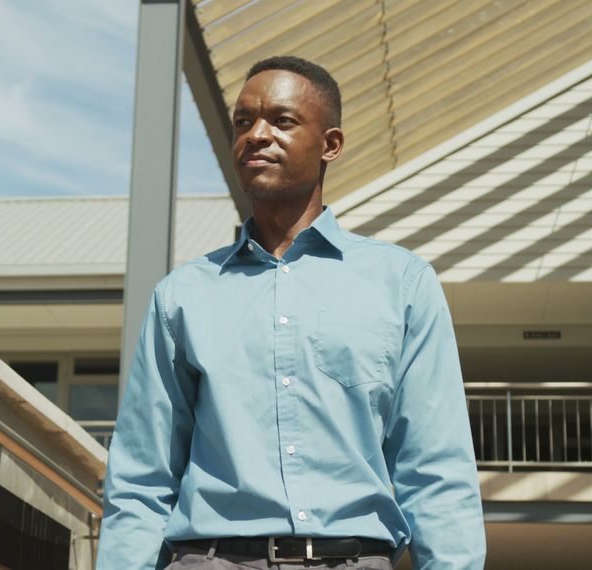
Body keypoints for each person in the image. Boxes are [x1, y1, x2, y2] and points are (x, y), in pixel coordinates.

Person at [97, 55, 486, 570]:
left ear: (331, 145)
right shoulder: (182, 296)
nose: (256, 135)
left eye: (281, 121)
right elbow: (142, 477)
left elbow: (435, 468)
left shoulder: (403, 284)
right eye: (243, 122)